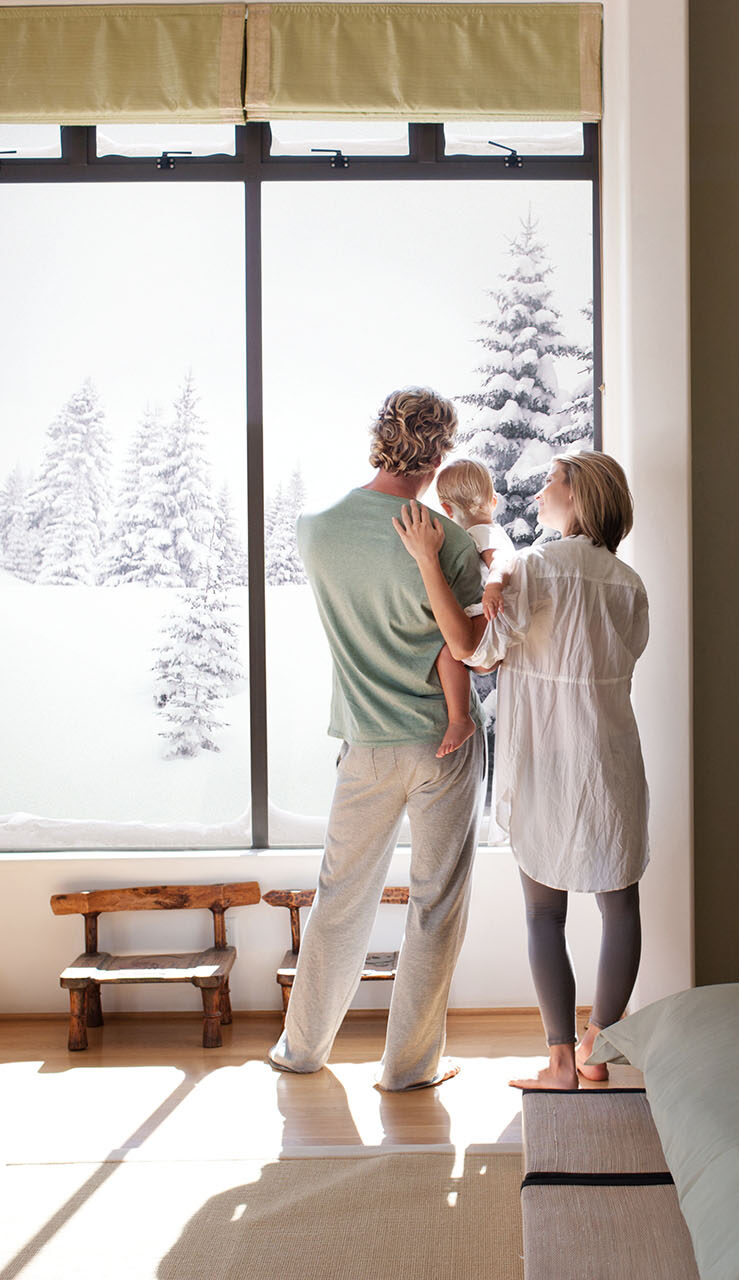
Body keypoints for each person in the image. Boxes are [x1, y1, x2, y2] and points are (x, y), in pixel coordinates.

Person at [394, 449, 649, 1091]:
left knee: (545, 916)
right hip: (613, 762)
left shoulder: (533, 570)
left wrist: (430, 562)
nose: (538, 493)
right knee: (621, 909)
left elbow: (474, 651)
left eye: (551, 482)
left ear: (580, 495)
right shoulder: (629, 585)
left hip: (545, 763)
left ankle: (562, 1063)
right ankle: (598, 1047)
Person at [269, 387, 487, 1093]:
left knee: (340, 897)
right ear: (440, 451)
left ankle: (301, 1051)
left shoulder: (316, 530)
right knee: (435, 902)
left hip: (364, 744)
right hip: (440, 745)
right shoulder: (446, 541)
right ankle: (409, 1067)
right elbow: (460, 648)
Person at [423, 458, 512, 758]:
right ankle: (460, 717)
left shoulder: (483, 534)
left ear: (447, 510)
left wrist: (494, 587)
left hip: (486, 621)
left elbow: (500, 561)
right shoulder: (490, 530)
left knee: (445, 650)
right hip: (491, 625)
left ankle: (460, 717)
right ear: (494, 500)